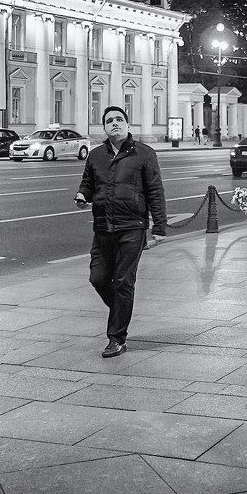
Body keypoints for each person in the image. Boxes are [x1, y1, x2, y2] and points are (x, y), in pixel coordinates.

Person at [75, 106, 167, 358]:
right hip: (103, 227)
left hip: (132, 228)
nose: (114, 123)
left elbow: (155, 191)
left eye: (119, 119)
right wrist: (83, 195)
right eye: (109, 121)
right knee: (98, 278)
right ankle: (120, 311)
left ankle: (116, 338)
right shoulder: (95, 155)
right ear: (104, 128)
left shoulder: (144, 154)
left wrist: (159, 227)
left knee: (124, 282)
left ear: (128, 125)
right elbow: (88, 184)